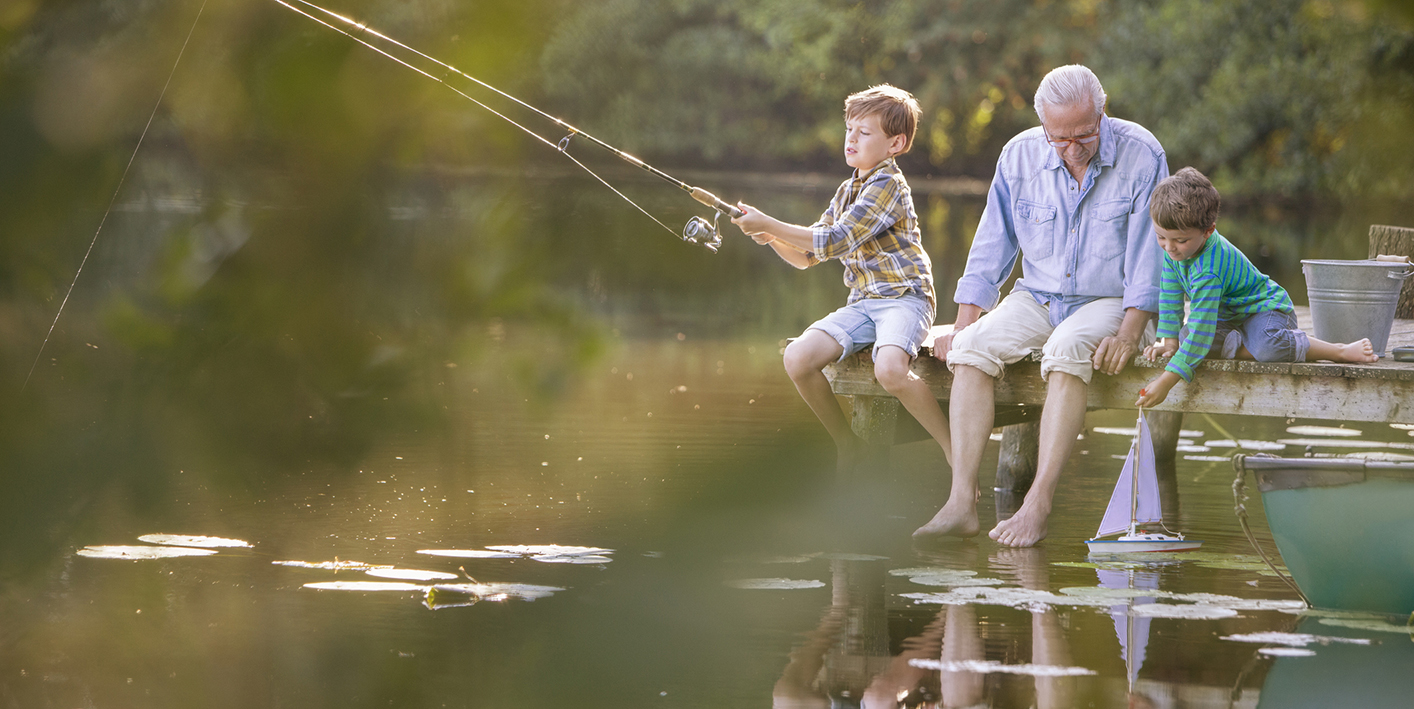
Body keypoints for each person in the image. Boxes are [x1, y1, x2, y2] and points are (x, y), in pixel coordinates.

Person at [916, 64, 1167, 547]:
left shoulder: (1143, 154)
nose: (1072, 149)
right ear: (1043, 125)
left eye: (1084, 134)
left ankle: (1038, 502)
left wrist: (1131, 332)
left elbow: (1148, 258)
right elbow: (992, 245)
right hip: (1037, 295)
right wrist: (962, 323)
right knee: (971, 348)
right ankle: (960, 502)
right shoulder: (1018, 155)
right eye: (1059, 138)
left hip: (1108, 299)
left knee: (1068, 348)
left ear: (1102, 110)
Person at [731, 84, 952, 475]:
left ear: (895, 144)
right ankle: (849, 446)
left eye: (864, 133)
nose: (851, 139)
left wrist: (771, 222)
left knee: (889, 369)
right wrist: (770, 237)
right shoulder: (848, 189)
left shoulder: (889, 185)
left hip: (906, 299)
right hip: (864, 304)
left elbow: (835, 240)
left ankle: (955, 451)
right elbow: (807, 256)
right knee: (797, 358)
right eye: (849, 129)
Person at [1135, 168, 1377, 407]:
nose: (1169, 247)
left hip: (1265, 310)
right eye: (1161, 237)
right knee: (1185, 337)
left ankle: (1339, 351)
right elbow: (1169, 295)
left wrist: (1166, 381)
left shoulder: (1209, 270)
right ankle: (1248, 342)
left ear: (1208, 231)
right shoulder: (1174, 252)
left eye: (1181, 240)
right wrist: (1168, 343)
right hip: (1228, 319)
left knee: (1266, 347)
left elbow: (1201, 329)